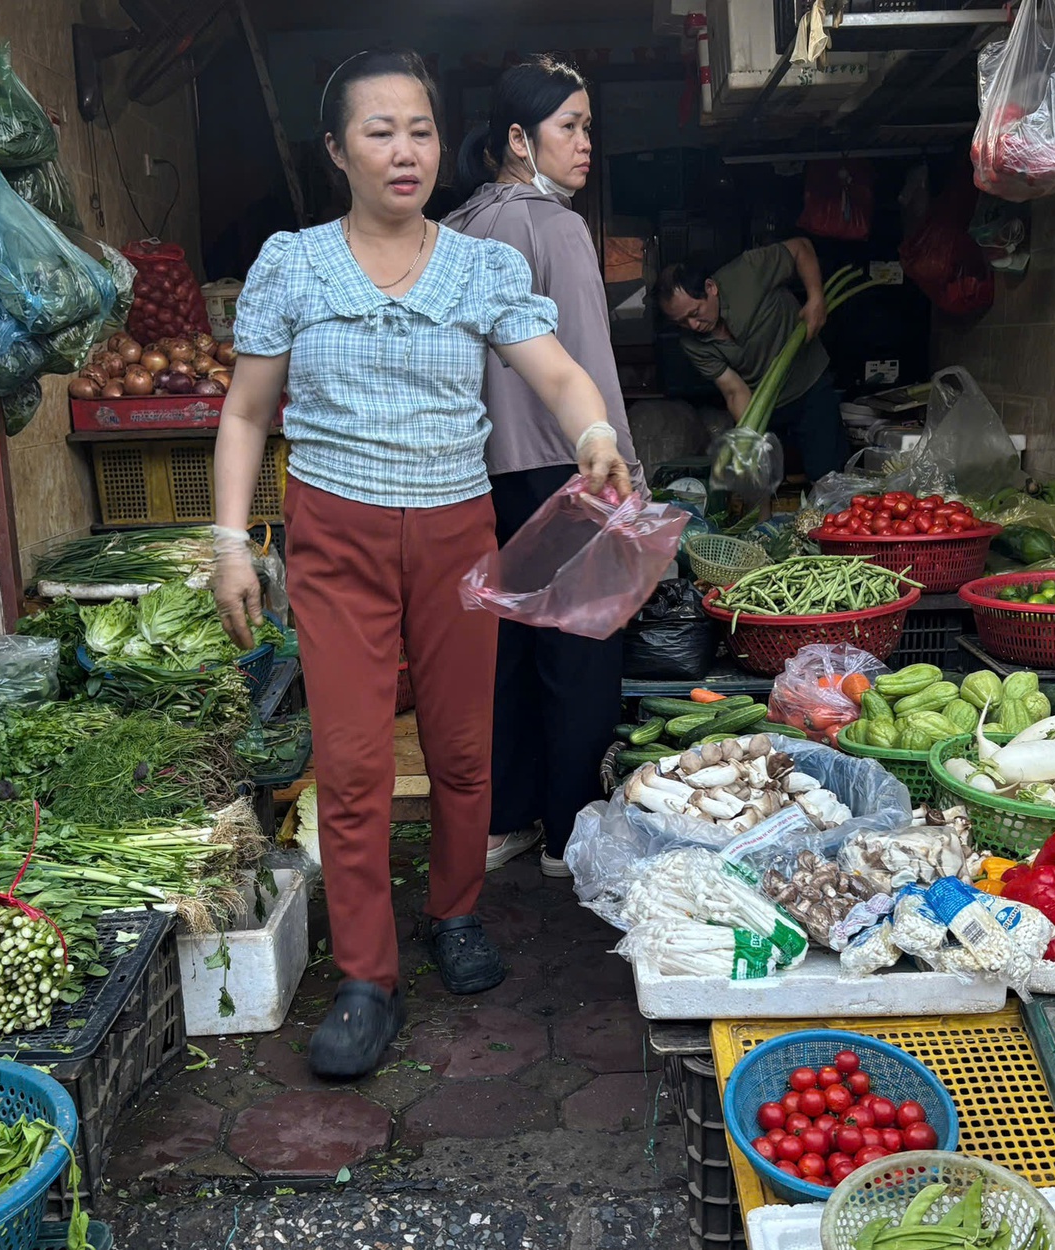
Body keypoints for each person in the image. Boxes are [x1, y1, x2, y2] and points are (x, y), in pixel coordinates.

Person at [209, 49, 630, 1081]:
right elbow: (247, 411)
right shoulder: (291, 264)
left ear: (447, 144)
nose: (404, 152)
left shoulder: (483, 265)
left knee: (461, 748)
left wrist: (591, 434)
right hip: (334, 534)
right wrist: (228, 541)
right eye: (378, 131)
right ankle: (365, 975)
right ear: (335, 150)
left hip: (453, 529)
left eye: (421, 131)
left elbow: (559, 368)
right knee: (351, 764)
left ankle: (452, 912)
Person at [442, 56, 640, 881]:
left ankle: (502, 820)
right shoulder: (556, 226)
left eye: (588, 125)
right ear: (519, 138)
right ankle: (569, 834)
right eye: (572, 127)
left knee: (506, 648)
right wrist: (622, 462)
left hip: (481, 473)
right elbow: (585, 358)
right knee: (580, 650)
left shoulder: (455, 226)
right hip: (567, 462)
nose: (586, 143)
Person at [655, 241, 849, 481]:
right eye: (682, 322)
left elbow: (802, 248)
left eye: (695, 313)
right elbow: (734, 390)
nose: (693, 325)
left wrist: (816, 297)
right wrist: (750, 438)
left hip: (810, 386)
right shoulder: (691, 343)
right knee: (762, 481)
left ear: (710, 287)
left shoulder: (748, 271)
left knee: (827, 476)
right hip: (766, 404)